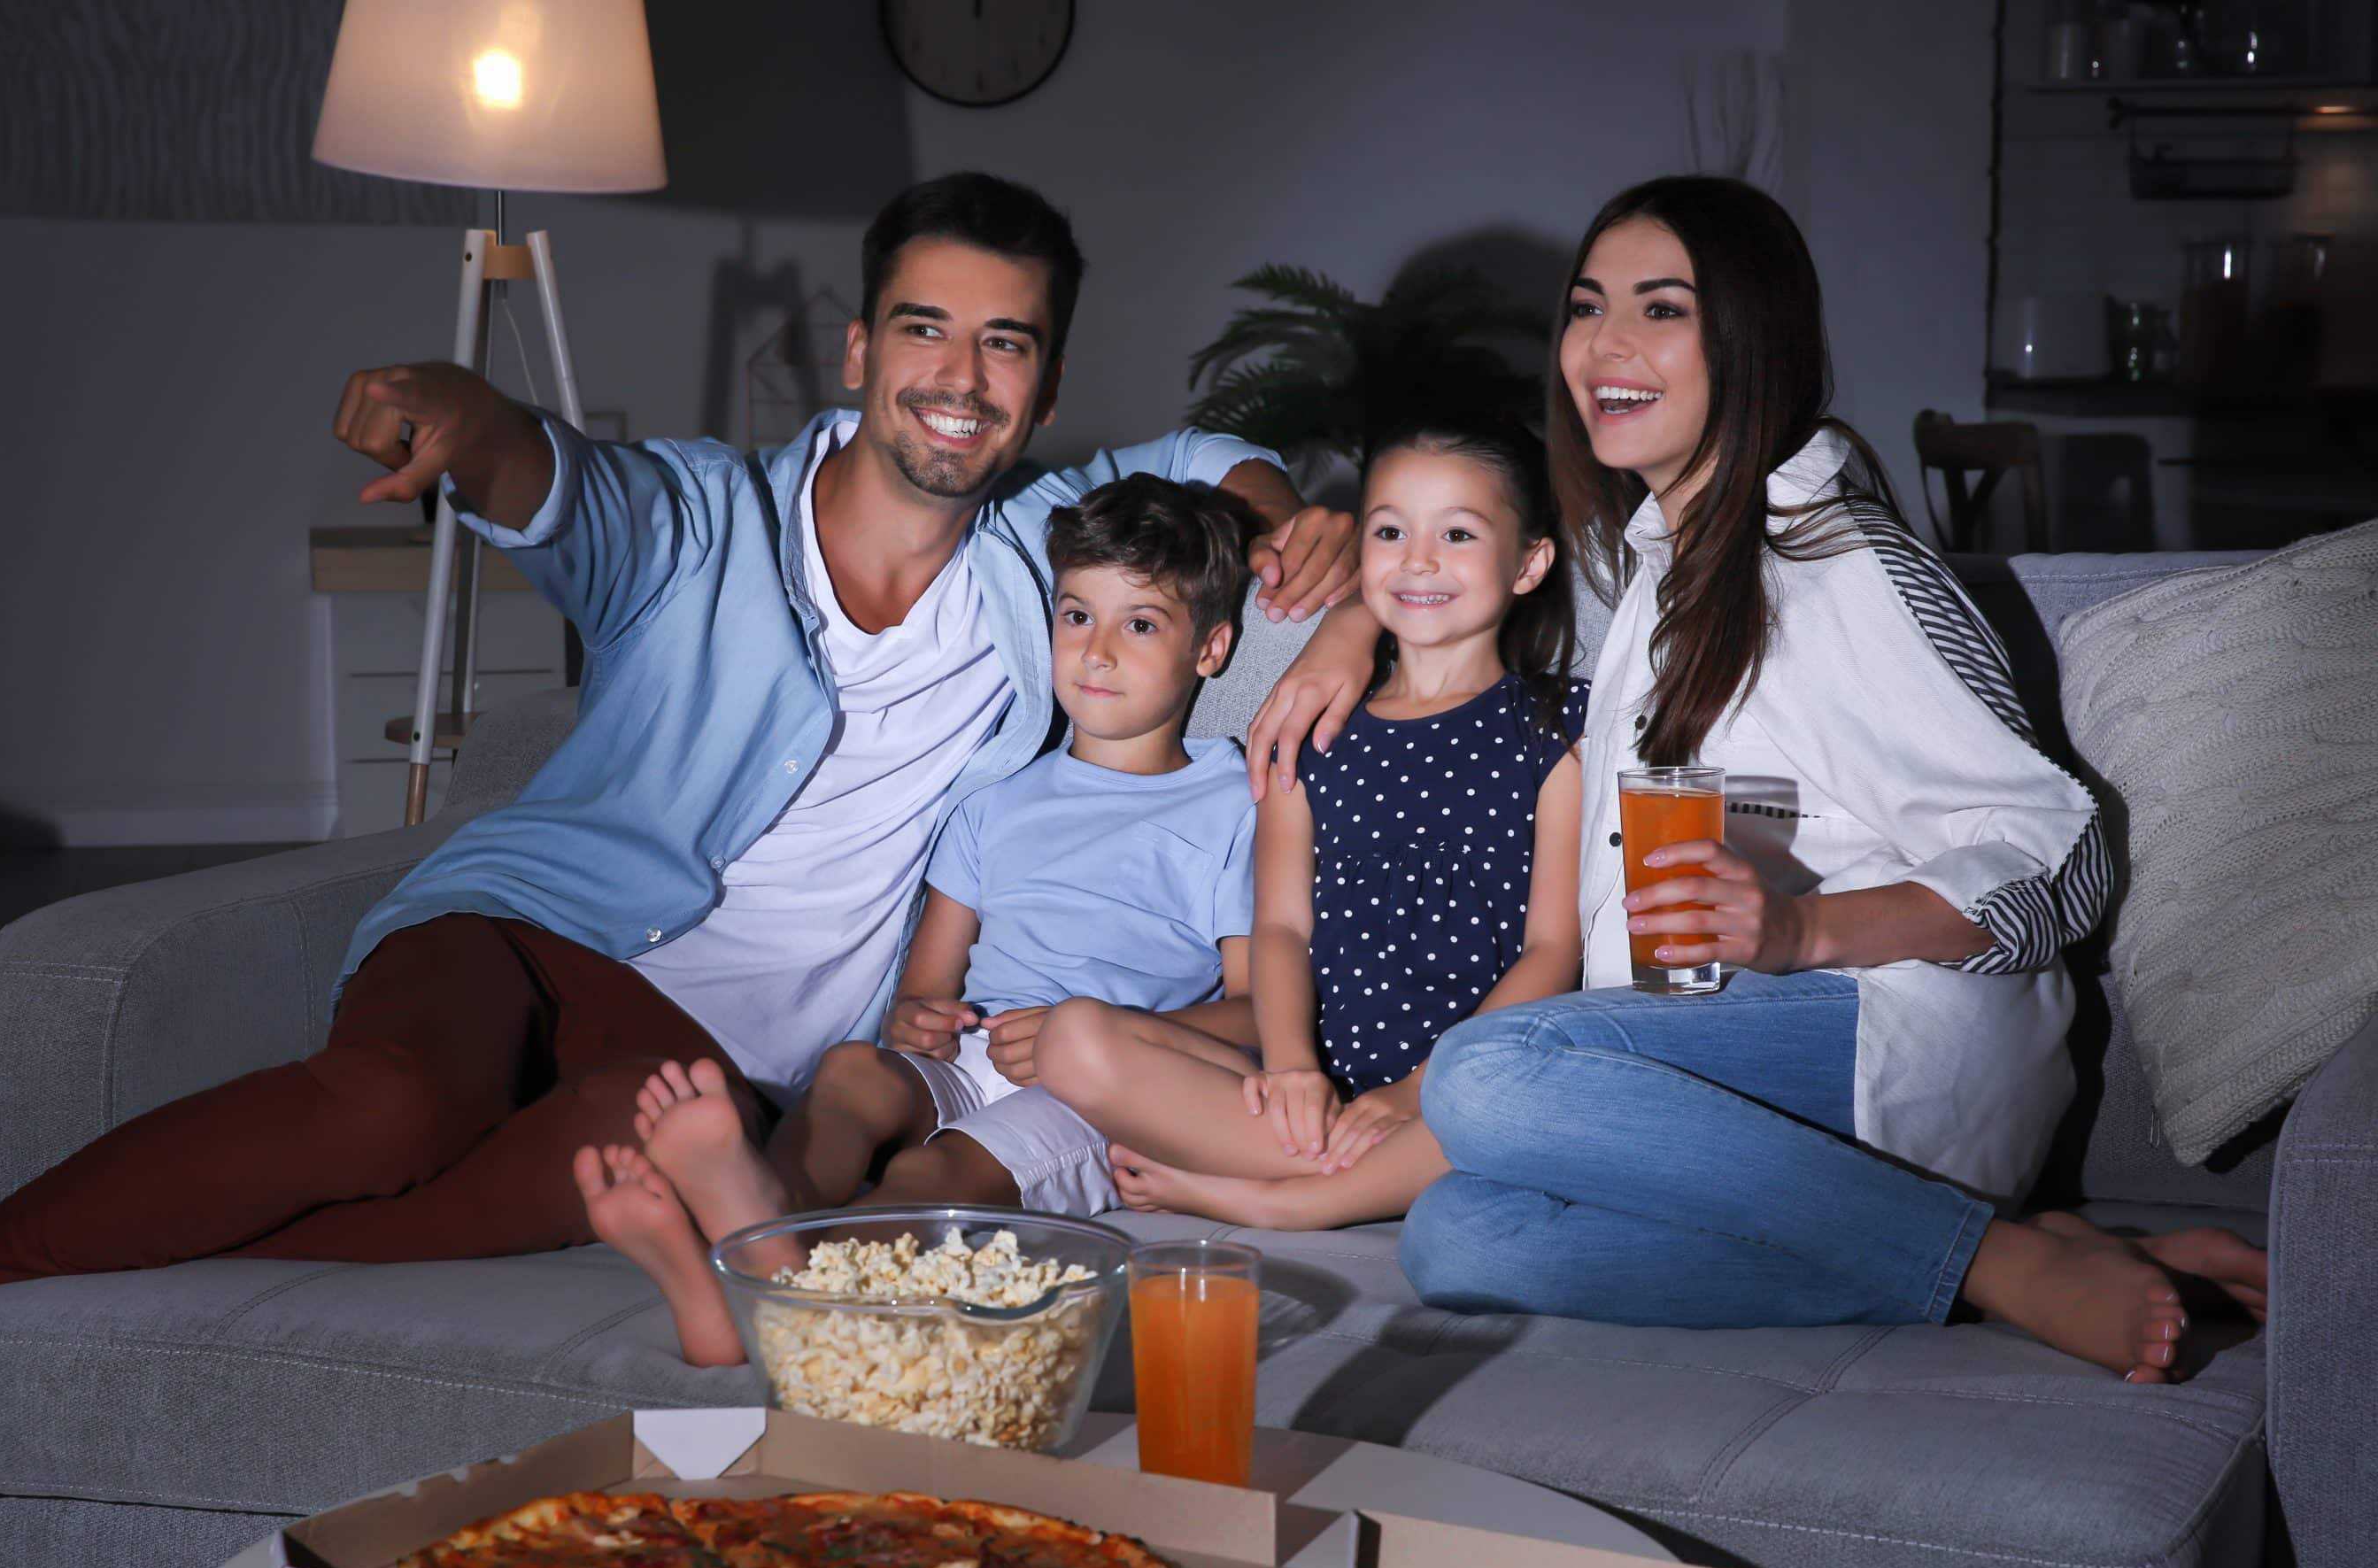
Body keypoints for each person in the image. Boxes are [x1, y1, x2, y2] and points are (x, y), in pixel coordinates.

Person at [0, 173, 1364, 1474]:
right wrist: (471, 419)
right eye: (925, 327)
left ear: (1041, 380)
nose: (960, 374)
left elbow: (1187, 465)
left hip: (709, 1069)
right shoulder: (705, 515)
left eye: (1005, 342)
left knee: (581, 1180)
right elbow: (565, 483)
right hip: (525, 936)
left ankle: (32, 1314)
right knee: (386, 1111)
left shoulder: (1049, 550)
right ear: (859, 348)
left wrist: (1296, 526)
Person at [1362, 176, 2265, 1380]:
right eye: (1587, 308)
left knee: (1487, 1072)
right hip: (1738, 1086)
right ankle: (2010, 1254)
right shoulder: (1660, 566)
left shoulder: (1837, 566)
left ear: (1752, 338)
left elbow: (2064, 856)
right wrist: (1343, 622)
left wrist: (1797, 925)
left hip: (1889, 1043)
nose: (1606, 346)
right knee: (1462, 1236)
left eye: (1661, 309)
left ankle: (1998, 1263)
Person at [577, 474, 1266, 1364]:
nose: (1095, 652)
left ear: (1210, 648)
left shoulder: (1230, 802)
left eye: (1139, 624)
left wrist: (1102, 1033)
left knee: (928, 1177)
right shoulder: (997, 799)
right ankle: (751, 1219)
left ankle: (746, 1289)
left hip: (1101, 1093)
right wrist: (917, 1018)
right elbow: (927, 990)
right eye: (1075, 615)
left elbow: (1259, 1016)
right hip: (974, 1056)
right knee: (854, 1074)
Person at [1033, 412, 1588, 1232]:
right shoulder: (1310, 727)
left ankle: (1285, 1200)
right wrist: (1293, 1069)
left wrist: (1417, 1093)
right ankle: (1355, 1172)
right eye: (1391, 530)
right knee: (1071, 1037)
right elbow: (1283, 929)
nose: (1420, 559)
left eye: (1459, 534)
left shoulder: (1554, 728)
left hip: (1469, 1081)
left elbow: (1553, 951)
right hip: (1313, 1089)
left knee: (1538, 1093)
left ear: (1529, 563)